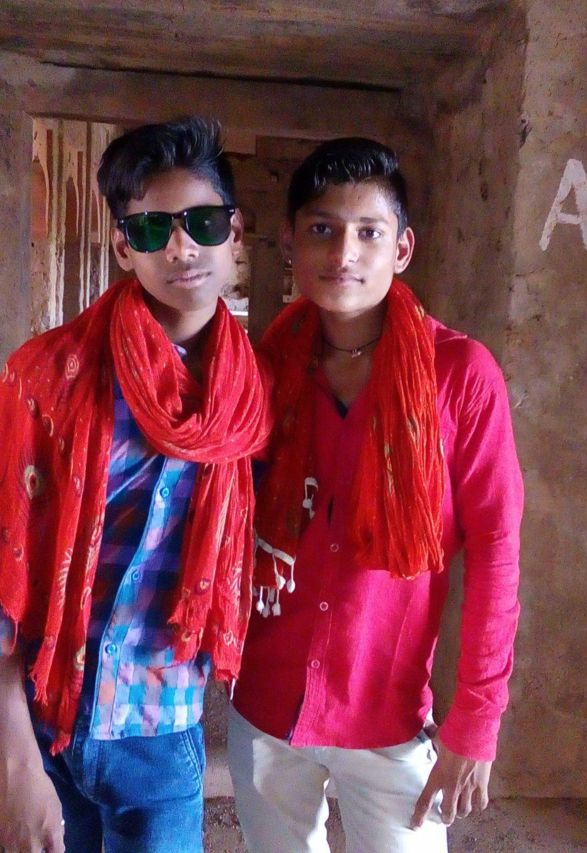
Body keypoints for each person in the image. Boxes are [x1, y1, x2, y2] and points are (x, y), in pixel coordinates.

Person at [227, 137, 524, 853]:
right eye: (322, 229)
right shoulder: (266, 369)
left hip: (388, 713)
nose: (344, 253)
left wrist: (476, 720)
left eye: (369, 232)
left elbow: (495, 548)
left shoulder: (460, 376)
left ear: (403, 248)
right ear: (291, 243)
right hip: (266, 700)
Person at [0, 116, 270, 853]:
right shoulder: (45, 381)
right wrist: (14, 760)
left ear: (234, 233)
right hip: (46, 717)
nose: (181, 247)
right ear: (123, 246)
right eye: (153, 229)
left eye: (202, 223)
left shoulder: (253, 392)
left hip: (162, 724)